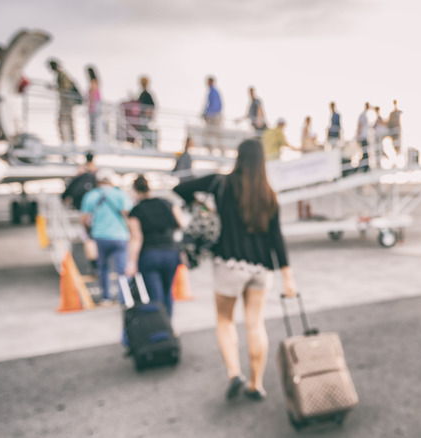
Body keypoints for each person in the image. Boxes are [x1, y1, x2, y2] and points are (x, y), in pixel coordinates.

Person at [174, 139, 297, 401]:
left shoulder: (221, 183)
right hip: (261, 269)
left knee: (225, 320)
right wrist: (287, 276)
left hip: (228, 264)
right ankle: (256, 383)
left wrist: (202, 205)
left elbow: (179, 188)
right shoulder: (268, 193)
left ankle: (234, 373)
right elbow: (277, 237)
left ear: (238, 157)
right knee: (255, 324)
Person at [125, 175, 184, 318]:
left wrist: (131, 262)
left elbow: (136, 238)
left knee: (155, 295)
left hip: (149, 255)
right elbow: (181, 223)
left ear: (135, 191)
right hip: (171, 252)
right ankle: (169, 327)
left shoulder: (136, 211)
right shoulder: (166, 203)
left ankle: (160, 329)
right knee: (167, 291)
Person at [81, 168, 133, 305]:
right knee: (122, 270)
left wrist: (88, 233)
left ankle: (106, 297)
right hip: (121, 236)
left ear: (97, 180)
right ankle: (124, 298)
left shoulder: (90, 196)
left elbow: (84, 219)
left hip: (100, 236)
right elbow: (130, 215)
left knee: (103, 268)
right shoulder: (121, 195)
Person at [47, 59, 78, 144]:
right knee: (66, 120)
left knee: (64, 120)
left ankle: (68, 140)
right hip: (66, 102)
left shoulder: (61, 75)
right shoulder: (61, 74)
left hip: (66, 102)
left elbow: (65, 88)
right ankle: (68, 140)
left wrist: (54, 88)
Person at [203, 76, 223, 153]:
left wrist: (209, 114)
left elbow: (215, 105)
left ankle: (221, 151)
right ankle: (210, 150)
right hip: (211, 115)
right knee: (208, 133)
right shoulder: (211, 91)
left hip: (214, 116)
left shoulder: (214, 91)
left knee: (216, 133)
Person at [137, 76, 156, 148]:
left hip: (145, 118)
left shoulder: (146, 94)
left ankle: (146, 145)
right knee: (143, 131)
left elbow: (152, 106)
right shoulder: (143, 94)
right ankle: (145, 145)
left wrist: (147, 112)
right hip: (143, 117)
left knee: (145, 131)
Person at [87, 66, 101, 142]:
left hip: (94, 106)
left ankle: (94, 139)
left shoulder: (93, 82)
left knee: (93, 124)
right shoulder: (96, 82)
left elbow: (92, 94)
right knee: (94, 123)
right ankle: (94, 139)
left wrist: (90, 104)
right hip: (96, 105)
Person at [356, 102, 371, 171]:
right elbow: (360, 125)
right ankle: (364, 167)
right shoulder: (362, 115)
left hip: (364, 136)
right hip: (362, 137)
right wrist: (358, 136)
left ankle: (365, 166)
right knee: (365, 152)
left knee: (365, 152)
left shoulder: (365, 115)